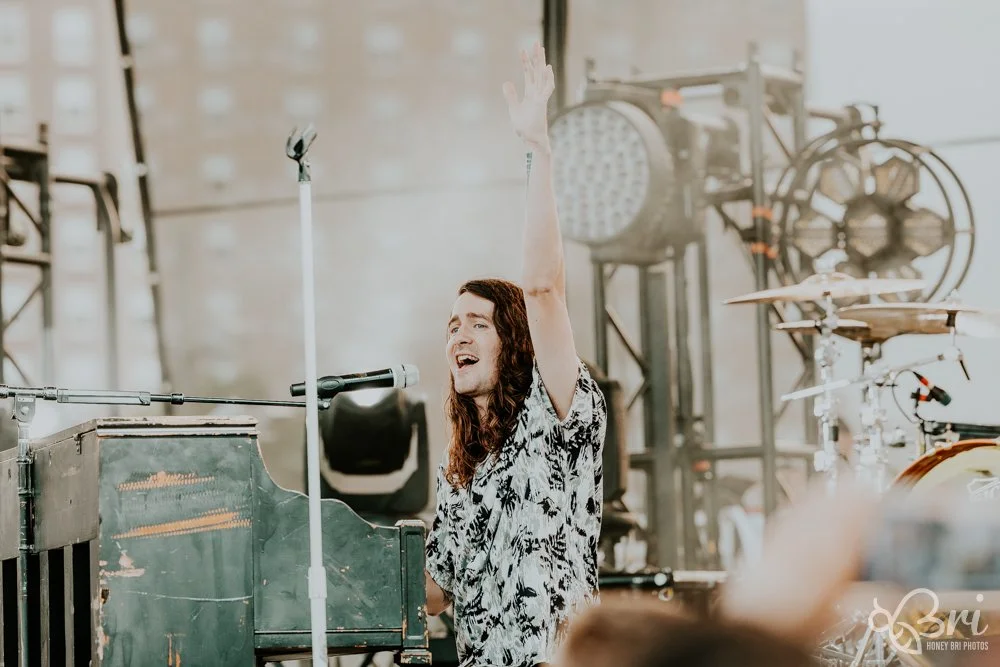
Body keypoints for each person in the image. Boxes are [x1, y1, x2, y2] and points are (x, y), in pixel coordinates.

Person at [423, 42, 608, 667]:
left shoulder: (554, 412)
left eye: (479, 323)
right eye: (453, 326)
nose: (460, 336)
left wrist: (537, 148)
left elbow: (543, 287)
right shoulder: (458, 468)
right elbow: (433, 594)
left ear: (516, 341)